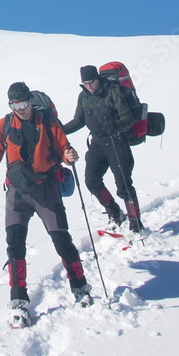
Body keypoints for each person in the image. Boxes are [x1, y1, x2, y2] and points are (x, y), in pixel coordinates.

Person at [0, 82, 91, 321]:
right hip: (17, 193)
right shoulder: (5, 125)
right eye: (15, 104)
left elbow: (64, 148)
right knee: (15, 244)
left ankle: (80, 288)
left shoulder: (48, 122)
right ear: (10, 105)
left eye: (24, 103)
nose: (20, 109)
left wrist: (69, 155)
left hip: (46, 189)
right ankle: (18, 299)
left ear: (31, 100)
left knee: (62, 240)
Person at [62, 65, 143, 233]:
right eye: (85, 83)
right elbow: (79, 120)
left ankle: (136, 224)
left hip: (117, 142)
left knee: (124, 186)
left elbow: (128, 118)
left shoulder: (113, 92)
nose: (88, 86)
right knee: (92, 181)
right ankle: (115, 213)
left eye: (91, 82)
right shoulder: (83, 96)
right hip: (97, 143)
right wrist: (59, 130)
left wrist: (116, 125)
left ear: (97, 79)